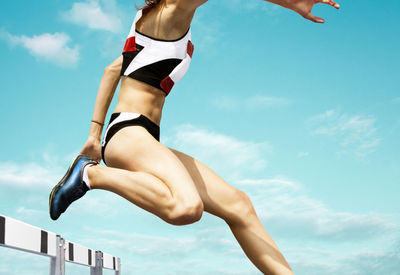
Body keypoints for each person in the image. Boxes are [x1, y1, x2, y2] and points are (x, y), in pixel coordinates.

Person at [49, 0, 339, 274]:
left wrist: (93, 135)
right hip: (128, 132)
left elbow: (112, 69)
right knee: (186, 208)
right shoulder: (169, 11)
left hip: (141, 135)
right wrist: (289, 2)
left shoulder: (153, 21)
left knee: (239, 205)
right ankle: (92, 176)